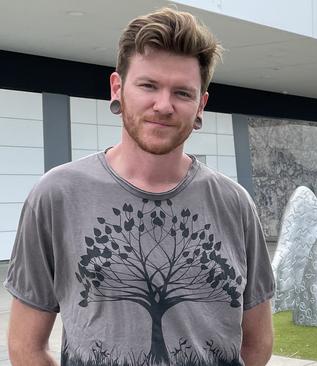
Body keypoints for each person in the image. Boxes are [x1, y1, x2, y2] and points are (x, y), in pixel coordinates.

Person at [5, 8, 274, 366]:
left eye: (182, 92)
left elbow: (257, 344)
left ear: (200, 106)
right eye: (148, 85)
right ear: (117, 88)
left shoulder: (235, 205)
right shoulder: (57, 195)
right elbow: (26, 347)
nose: (163, 105)